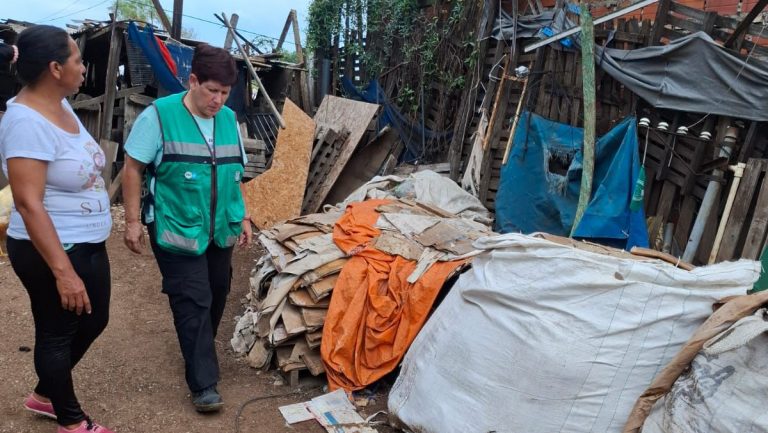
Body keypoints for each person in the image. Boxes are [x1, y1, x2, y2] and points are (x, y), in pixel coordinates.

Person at [122, 43, 252, 412]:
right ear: (192, 80)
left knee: (217, 290)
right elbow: (132, 168)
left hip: (219, 227)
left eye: (225, 93)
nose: (218, 100)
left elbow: (234, 173)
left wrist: (242, 216)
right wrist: (131, 222)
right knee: (193, 299)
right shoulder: (159, 116)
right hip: (175, 226)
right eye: (212, 90)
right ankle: (203, 384)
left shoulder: (228, 120)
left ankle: (198, 353)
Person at [0, 26, 114, 433]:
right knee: (56, 330)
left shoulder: (62, 107)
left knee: (93, 319)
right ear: (54, 68)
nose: (83, 67)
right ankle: (68, 418)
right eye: (77, 59)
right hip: (50, 248)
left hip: (86, 241)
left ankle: (46, 392)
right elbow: (29, 203)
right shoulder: (25, 122)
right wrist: (63, 271)